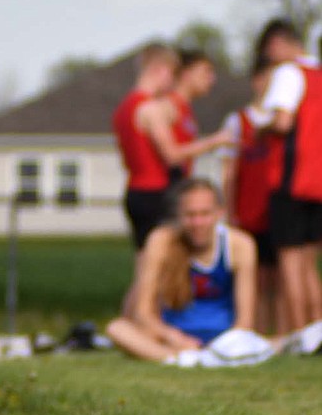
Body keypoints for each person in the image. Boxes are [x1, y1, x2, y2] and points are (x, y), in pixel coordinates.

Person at [112, 43, 232, 315]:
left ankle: (130, 323)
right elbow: (172, 154)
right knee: (153, 270)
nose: (172, 81)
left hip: (137, 190)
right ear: (159, 69)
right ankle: (136, 324)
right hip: (155, 193)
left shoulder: (124, 108)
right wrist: (215, 141)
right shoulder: (150, 108)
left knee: (145, 267)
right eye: (171, 73)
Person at [106, 178, 257, 362]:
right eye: (190, 215)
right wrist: (174, 337)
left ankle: (200, 358)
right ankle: (184, 359)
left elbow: (245, 321)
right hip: (173, 337)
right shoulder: (162, 240)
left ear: (220, 213)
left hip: (224, 339)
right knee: (117, 329)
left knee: (256, 341)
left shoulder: (240, 244)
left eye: (205, 214)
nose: (198, 222)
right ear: (178, 215)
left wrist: (230, 343)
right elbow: (143, 312)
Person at [255, 18, 322, 331]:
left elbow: (282, 122)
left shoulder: (287, 73)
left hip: (291, 182)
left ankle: (299, 337)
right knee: (310, 268)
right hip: (318, 185)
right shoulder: (318, 74)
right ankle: (317, 331)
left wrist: (261, 127)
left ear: (277, 44)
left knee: (290, 267)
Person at [219, 59, 284, 334]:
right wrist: (228, 211)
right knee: (253, 279)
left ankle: (285, 335)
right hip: (248, 212)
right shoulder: (238, 122)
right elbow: (229, 172)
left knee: (280, 280)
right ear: (256, 80)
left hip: (279, 212)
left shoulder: (284, 123)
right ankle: (253, 333)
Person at [165, 50, 219, 185]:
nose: (212, 79)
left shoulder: (186, 109)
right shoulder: (168, 106)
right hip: (167, 188)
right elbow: (171, 155)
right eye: (206, 72)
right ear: (186, 74)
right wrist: (214, 141)